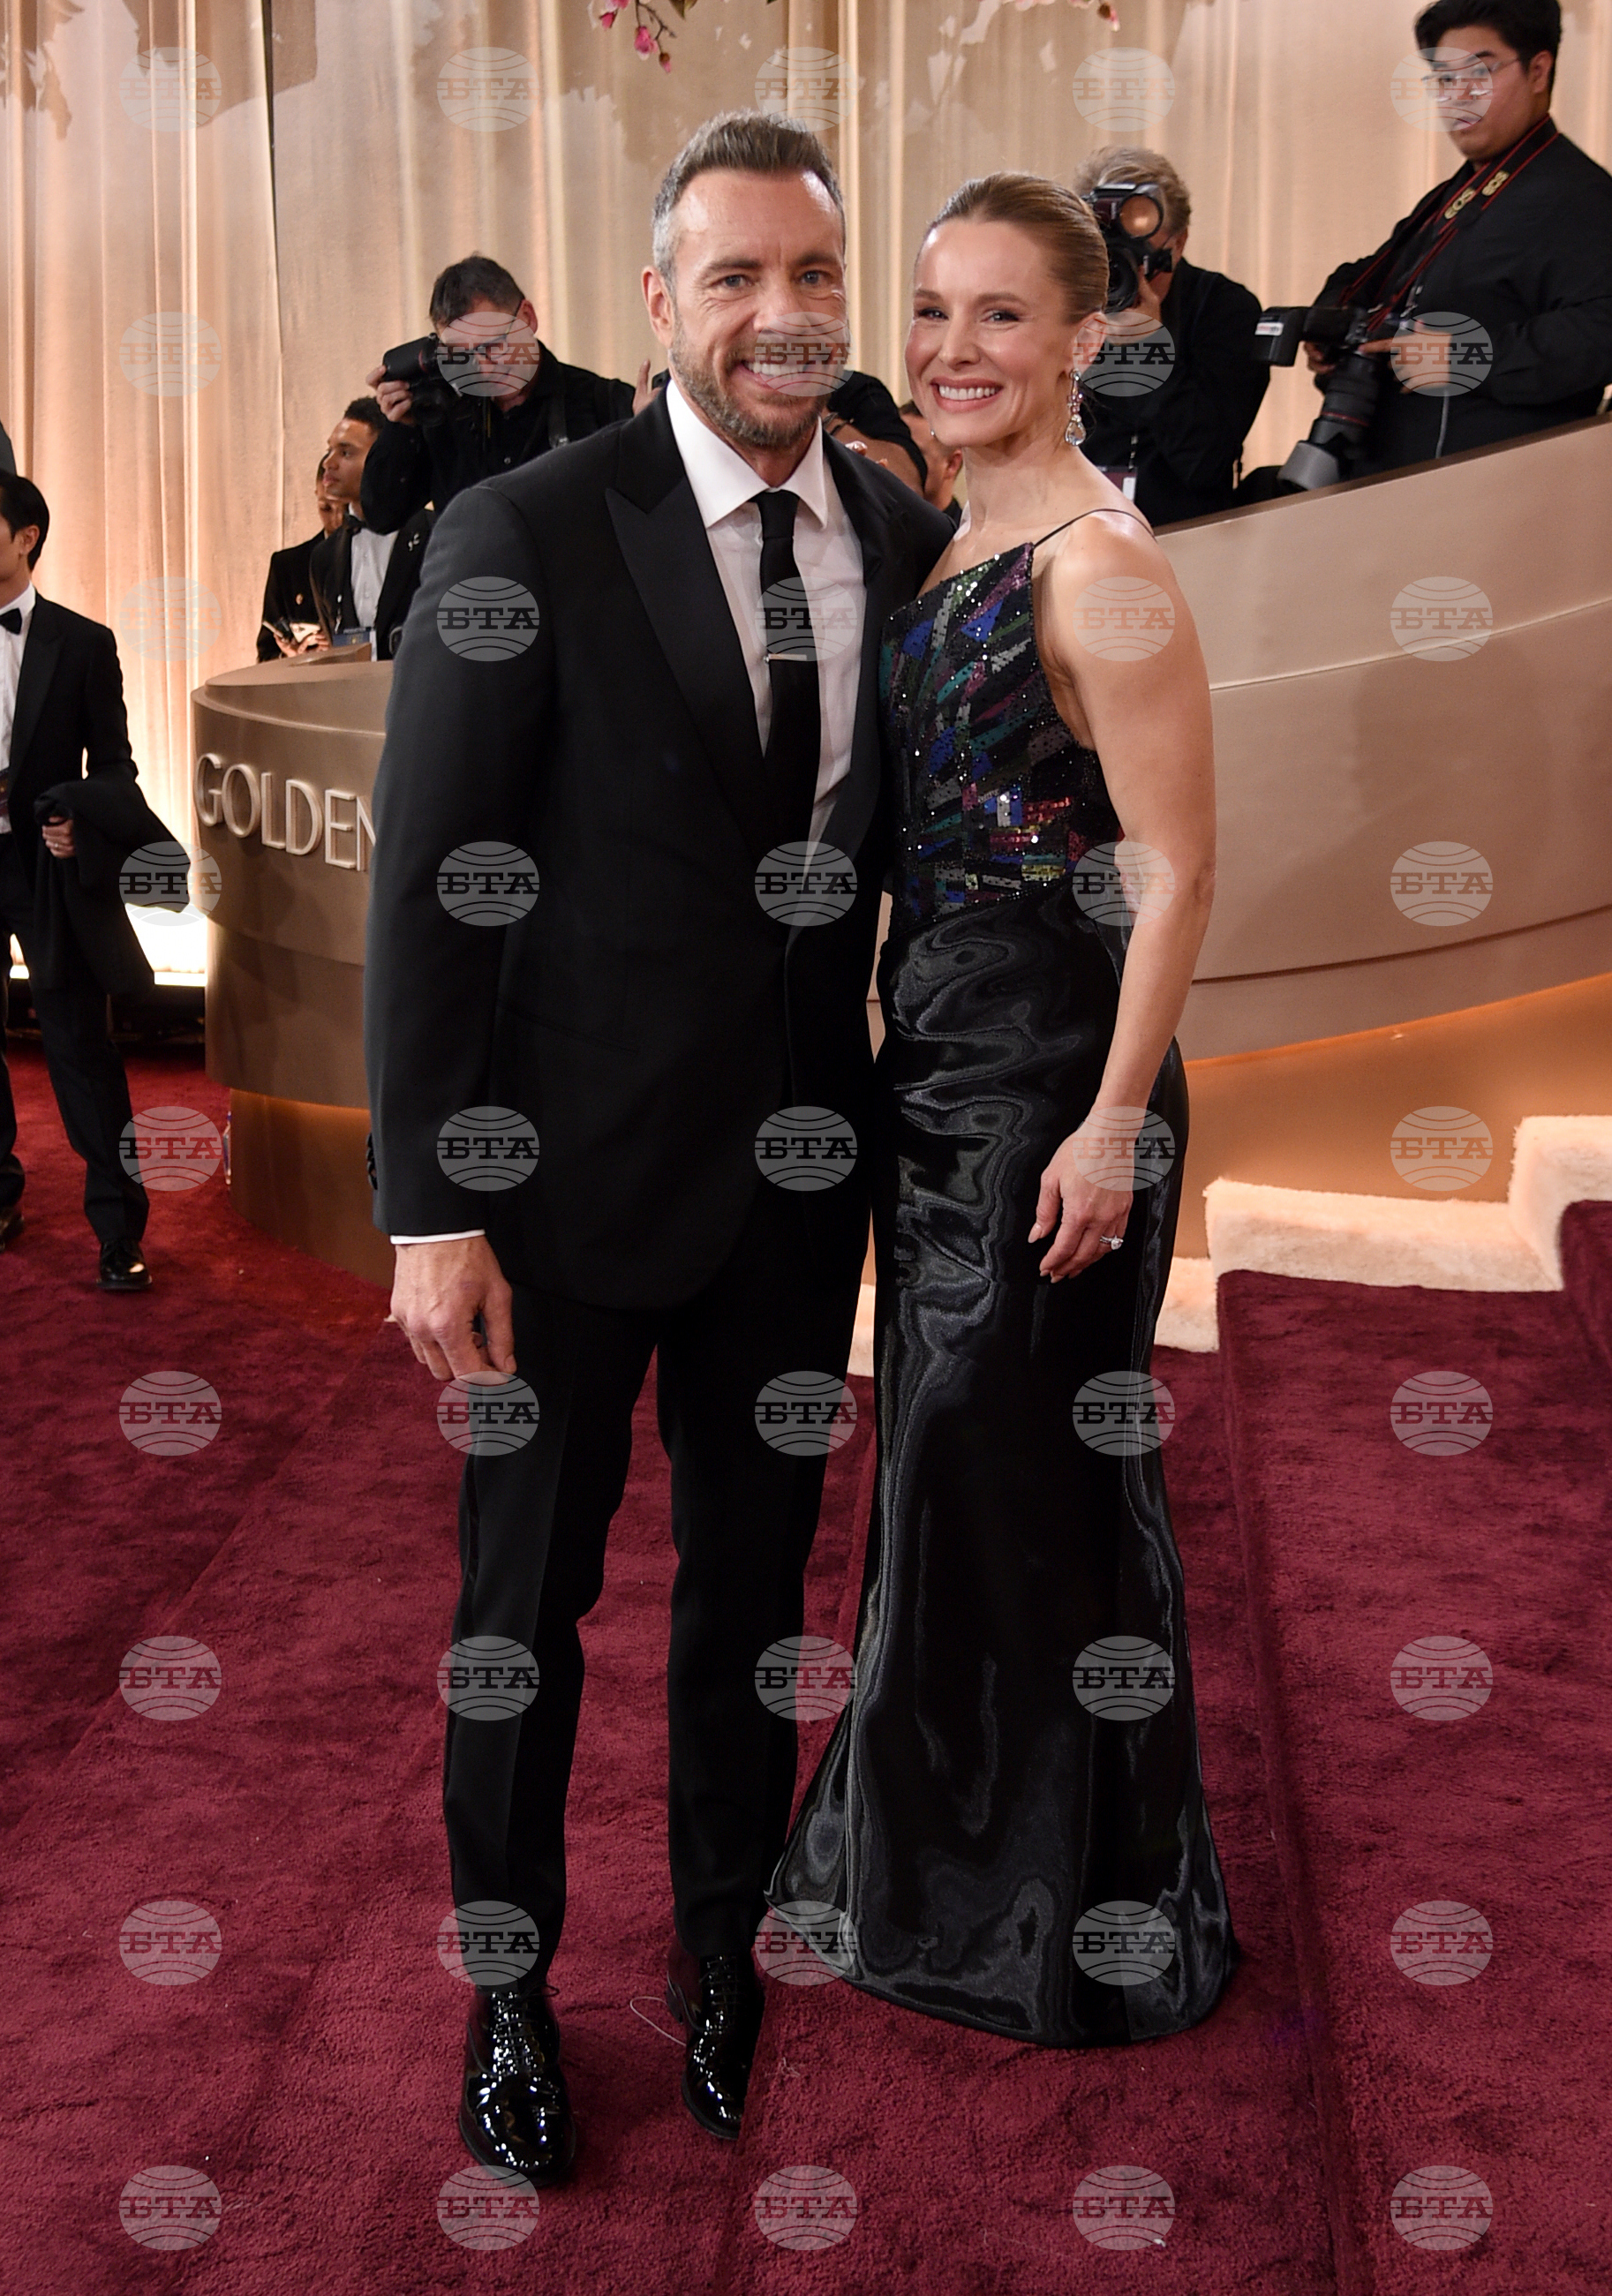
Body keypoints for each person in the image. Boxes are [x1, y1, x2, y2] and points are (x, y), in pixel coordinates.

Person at [365, 112, 953, 2184]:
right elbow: (432, 878)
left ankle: (720, 1950)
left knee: (743, 1601)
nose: (778, 315)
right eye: (732, 277)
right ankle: (508, 1993)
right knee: (524, 1613)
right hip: (549, 1196)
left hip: (796, 1199)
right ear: (655, 301)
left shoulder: (892, 533)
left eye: (810, 275)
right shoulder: (524, 529)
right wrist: (429, 1203)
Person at [771, 174, 1238, 2049]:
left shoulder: (1101, 569)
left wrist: (1115, 1116)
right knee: (957, 1472)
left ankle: (1065, 1914)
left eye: (1000, 318)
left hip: (1056, 1078)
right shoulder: (949, 538)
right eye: (933, 314)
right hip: (942, 1072)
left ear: (1082, 339)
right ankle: (934, 1863)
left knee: (1024, 1475)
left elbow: (1180, 869)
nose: (954, 351)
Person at [1302, 0, 1612, 473]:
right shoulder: (1454, 196)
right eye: (1444, 79)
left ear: (1538, 72)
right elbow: (1369, 277)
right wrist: (1329, 327)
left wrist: (1468, 357)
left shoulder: (1583, 196)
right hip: (1393, 483)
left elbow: (1598, 334)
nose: (1459, 95)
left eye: (1481, 72)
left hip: (1503, 494)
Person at [0, 474, 163, 1289]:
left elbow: (120, 770)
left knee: (78, 1045)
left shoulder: (84, 642)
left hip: (43, 868)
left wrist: (78, 820)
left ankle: (117, 1229)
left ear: (27, 537)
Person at [359, 256, 637, 531]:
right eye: (461, 355)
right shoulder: (443, 413)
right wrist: (401, 429)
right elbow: (382, 516)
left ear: (527, 317)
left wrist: (654, 440)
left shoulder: (601, 401)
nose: (482, 366)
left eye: (493, 345)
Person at [1068, 147, 1268, 523]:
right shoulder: (1071, 309)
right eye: (1111, 260)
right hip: (1075, 529)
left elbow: (1204, 460)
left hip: (1186, 536)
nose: (1126, 278)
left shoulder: (1224, 309)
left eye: (1142, 261)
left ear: (1178, 243)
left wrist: (1148, 348)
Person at [310, 399, 433, 659]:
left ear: (383, 458)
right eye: (330, 450)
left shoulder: (437, 534)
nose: (328, 463)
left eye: (346, 452)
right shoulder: (324, 556)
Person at [256, 461, 344, 661]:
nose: (338, 521)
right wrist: (292, 656)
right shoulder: (288, 566)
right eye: (326, 508)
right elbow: (265, 655)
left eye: (346, 508)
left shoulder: (385, 559)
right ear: (316, 496)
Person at [898, 396, 965, 520]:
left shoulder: (966, 537)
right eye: (897, 449)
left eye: (914, 453)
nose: (899, 462)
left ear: (952, 464)